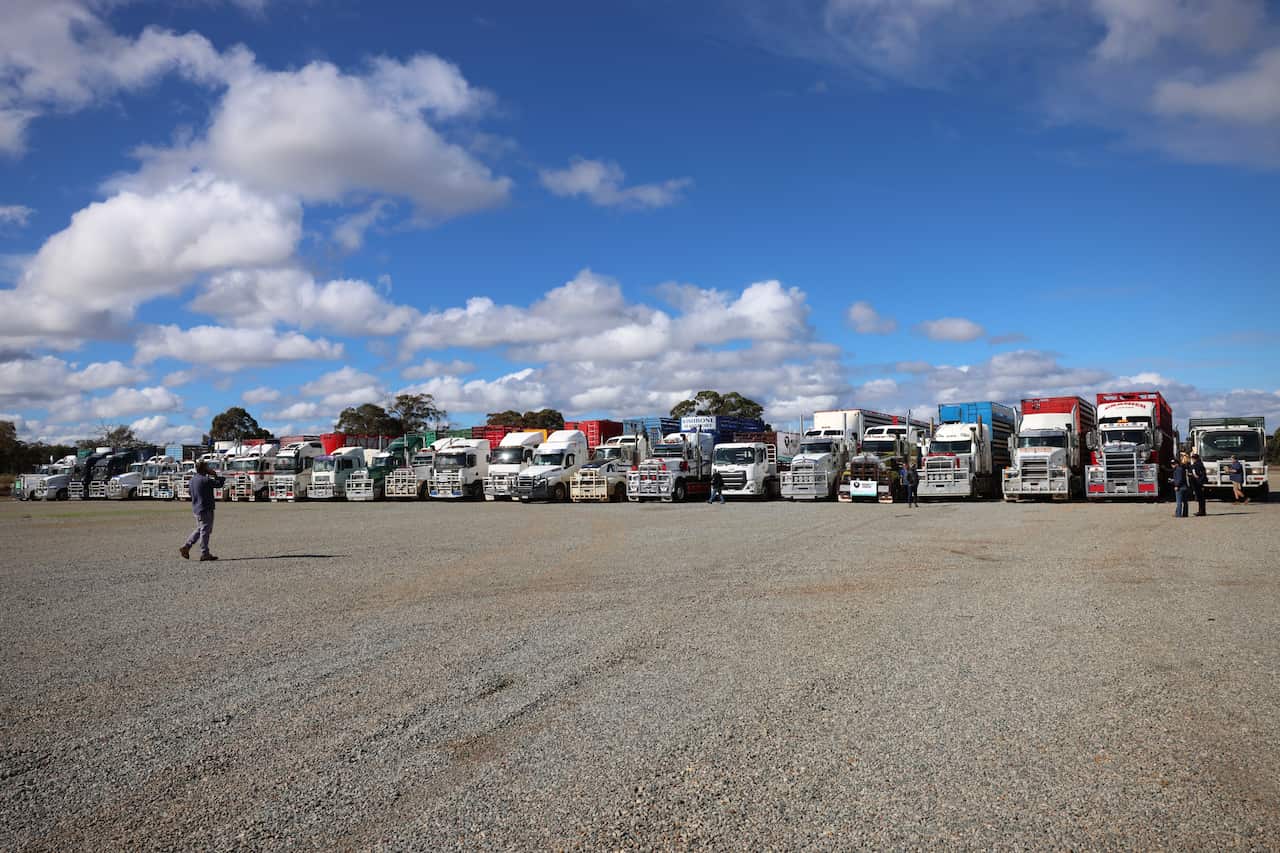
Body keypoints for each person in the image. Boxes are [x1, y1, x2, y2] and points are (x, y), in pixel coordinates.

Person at [180, 460, 226, 561]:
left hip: (197, 508)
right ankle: (204, 553)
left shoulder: (192, 480)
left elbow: (189, 493)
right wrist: (215, 474)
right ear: (204, 469)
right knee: (205, 530)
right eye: (207, 467)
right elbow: (219, 484)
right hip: (206, 508)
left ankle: (186, 546)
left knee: (200, 529)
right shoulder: (206, 480)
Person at [1189, 452, 1207, 516]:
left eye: (1194, 458)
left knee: (1201, 498)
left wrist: (1200, 481)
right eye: (1192, 458)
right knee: (1200, 498)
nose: (1193, 459)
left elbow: (1202, 474)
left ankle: (1202, 511)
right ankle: (1201, 511)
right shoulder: (1195, 464)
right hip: (1196, 483)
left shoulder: (1199, 465)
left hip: (1198, 483)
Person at [1172, 452, 1190, 518]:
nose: (1172, 465)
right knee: (1185, 502)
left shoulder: (1178, 470)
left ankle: (1178, 514)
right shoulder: (1181, 469)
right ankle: (1185, 514)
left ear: (1176, 464)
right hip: (1185, 487)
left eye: (1173, 464)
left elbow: (1179, 479)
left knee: (1179, 502)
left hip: (1180, 488)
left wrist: (1176, 486)